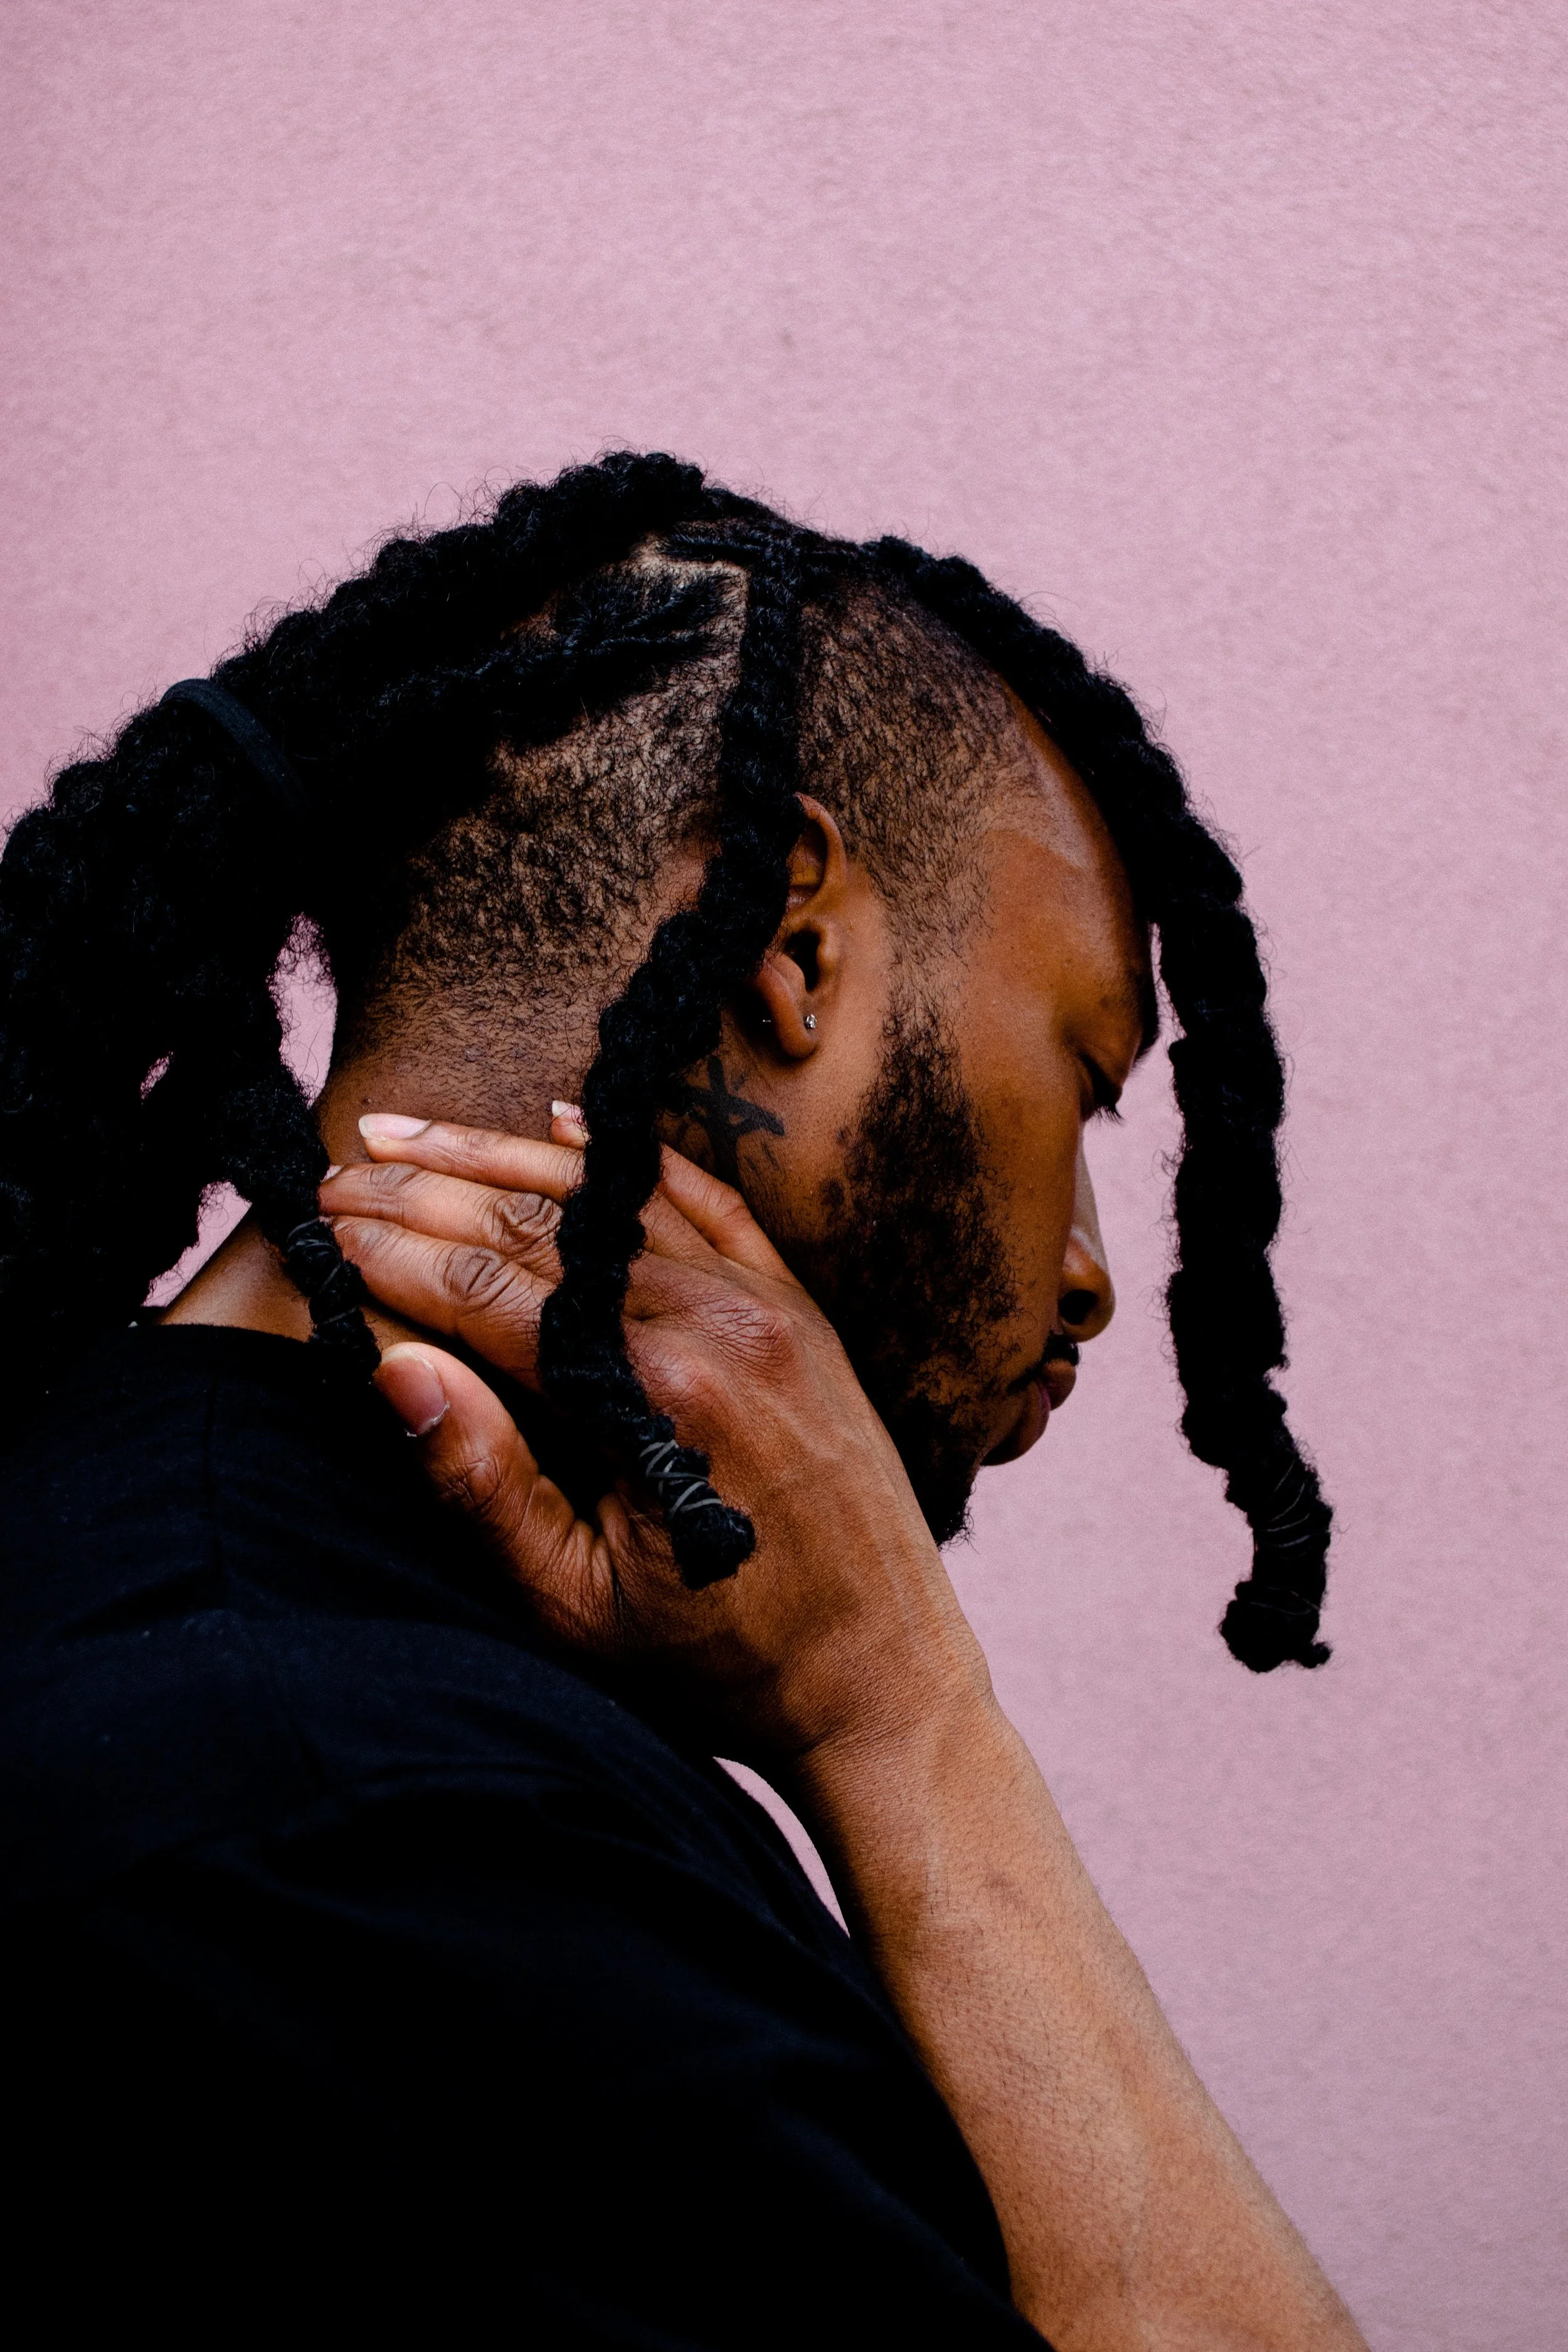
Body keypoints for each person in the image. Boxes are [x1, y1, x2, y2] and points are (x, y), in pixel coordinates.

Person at [0, 454, 1361, 2344]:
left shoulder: (263, 1627)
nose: (1088, 1278)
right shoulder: (372, 1825)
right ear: (787, 945)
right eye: (1082, 1078)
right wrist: (902, 1712)